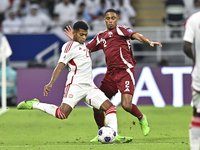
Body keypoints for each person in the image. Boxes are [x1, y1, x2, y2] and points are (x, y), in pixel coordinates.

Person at [17, 21, 132, 143]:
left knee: (110, 108)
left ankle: (114, 134)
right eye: (81, 34)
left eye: (85, 35)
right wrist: (50, 83)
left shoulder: (83, 45)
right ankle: (35, 104)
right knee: (62, 114)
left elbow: (82, 45)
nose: (84, 37)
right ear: (75, 33)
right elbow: (60, 66)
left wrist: (77, 39)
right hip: (75, 86)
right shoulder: (69, 46)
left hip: (89, 87)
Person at [64, 9, 162, 142]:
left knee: (126, 105)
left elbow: (137, 35)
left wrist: (149, 41)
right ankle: (102, 132)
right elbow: (85, 49)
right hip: (110, 74)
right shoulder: (100, 36)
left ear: (117, 19)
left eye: (112, 18)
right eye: (107, 18)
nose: (110, 21)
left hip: (125, 72)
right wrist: (75, 41)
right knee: (97, 106)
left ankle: (142, 118)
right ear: (104, 20)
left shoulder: (122, 30)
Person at [183, 11, 200, 150]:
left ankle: (194, 147)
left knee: (197, 112)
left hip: (199, 75)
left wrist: (196, 61)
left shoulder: (194, 19)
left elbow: (187, 47)